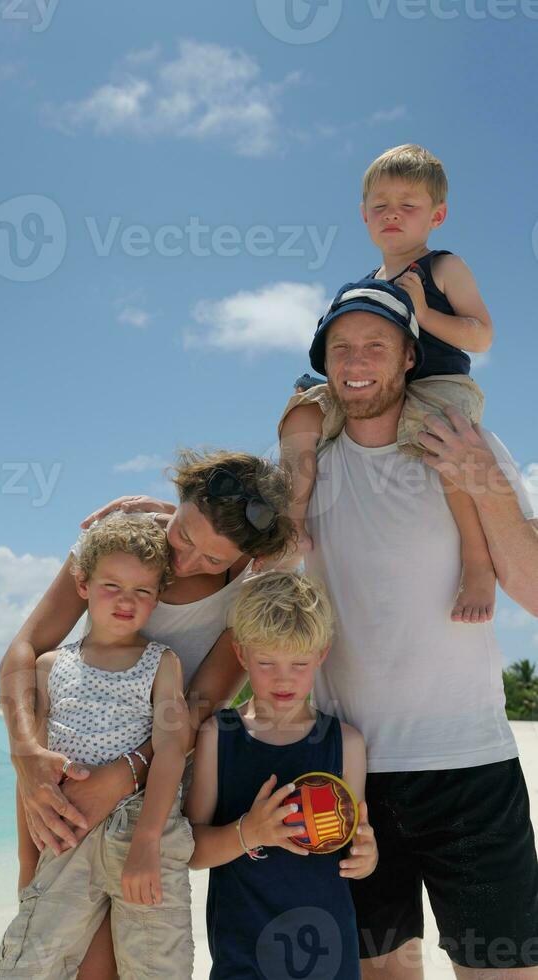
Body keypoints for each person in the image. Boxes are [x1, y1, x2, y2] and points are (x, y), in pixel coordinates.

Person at [279, 278, 538, 977]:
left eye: (375, 345)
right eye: (341, 348)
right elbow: (238, 556)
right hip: (350, 772)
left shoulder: (464, 447)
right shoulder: (308, 469)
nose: (357, 361)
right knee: (381, 972)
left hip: (471, 766)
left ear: (409, 359)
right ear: (323, 363)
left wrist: (483, 477)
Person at [0, 448, 295, 979]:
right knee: (77, 958)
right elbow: (25, 650)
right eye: (183, 535)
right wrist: (25, 754)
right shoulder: (119, 544)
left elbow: (201, 706)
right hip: (69, 768)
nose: (183, 563)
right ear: (177, 503)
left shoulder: (248, 589)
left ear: (245, 558)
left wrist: (123, 775)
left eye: (211, 559)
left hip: (155, 785)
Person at [280, 144, 496, 623]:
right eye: (380, 206)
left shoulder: (442, 267)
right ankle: (291, 521)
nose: (392, 214)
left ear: (436, 215)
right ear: (363, 215)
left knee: (444, 444)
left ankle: (478, 563)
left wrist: (424, 313)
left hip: (439, 384)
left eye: (408, 205)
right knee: (301, 411)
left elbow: (482, 335)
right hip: (382, 385)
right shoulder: (368, 282)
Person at [0, 514, 194, 978]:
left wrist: (148, 839)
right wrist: (28, 864)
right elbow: (33, 779)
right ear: (82, 584)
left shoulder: (162, 664)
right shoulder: (49, 667)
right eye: (112, 586)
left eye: (143, 591)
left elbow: (171, 751)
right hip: (66, 836)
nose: (127, 601)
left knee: (158, 966)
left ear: (158, 597)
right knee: (31, 965)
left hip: (142, 828)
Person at [186, 570, 378, 979]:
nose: (284, 678)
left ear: (322, 654)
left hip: (328, 950)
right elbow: (190, 850)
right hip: (243, 949)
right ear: (241, 656)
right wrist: (250, 833)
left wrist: (367, 856)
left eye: (300, 663)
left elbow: (356, 836)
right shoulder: (218, 736)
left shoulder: (346, 743)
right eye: (267, 662)